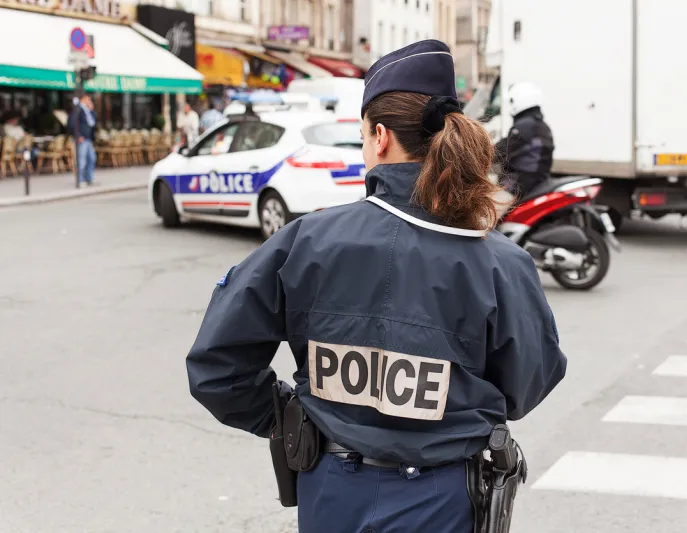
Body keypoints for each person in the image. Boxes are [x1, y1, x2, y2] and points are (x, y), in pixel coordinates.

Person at [186, 40, 567, 533]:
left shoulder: (305, 242)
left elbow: (218, 370)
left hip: (330, 491)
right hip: (444, 499)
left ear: (381, 137)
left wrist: (290, 416)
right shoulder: (500, 262)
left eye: (364, 135)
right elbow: (529, 381)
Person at [493, 81, 555, 219]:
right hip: (538, 181)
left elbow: (500, 150)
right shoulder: (542, 125)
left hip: (520, 183)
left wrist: (479, 156)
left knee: (485, 216)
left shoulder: (524, 127)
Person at [66, 94, 97, 187]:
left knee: (92, 158)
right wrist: (78, 136)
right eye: (88, 99)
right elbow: (71, 124)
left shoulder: (87, 110)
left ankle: (89, 178)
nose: (89, 101)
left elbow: (92, 122)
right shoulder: (78, 109)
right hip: (82, 139)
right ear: (83, 99)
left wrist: (92, 110)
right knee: (81, 160)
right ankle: (80, 179)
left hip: (88, 138)